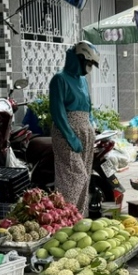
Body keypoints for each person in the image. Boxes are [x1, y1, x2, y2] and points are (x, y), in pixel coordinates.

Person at [50, 41, 101, 215]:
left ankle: (79, 217)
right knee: (74, 177)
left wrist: (92, 124)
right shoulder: (59, 79)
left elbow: (88, 105)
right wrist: (70, 137)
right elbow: (57, 112)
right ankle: (64, 218)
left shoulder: (83, 80)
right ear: (78, 59)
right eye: (88, 63)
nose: (89, 68)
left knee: (85, 177)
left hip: (86, 132)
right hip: (67, 133)